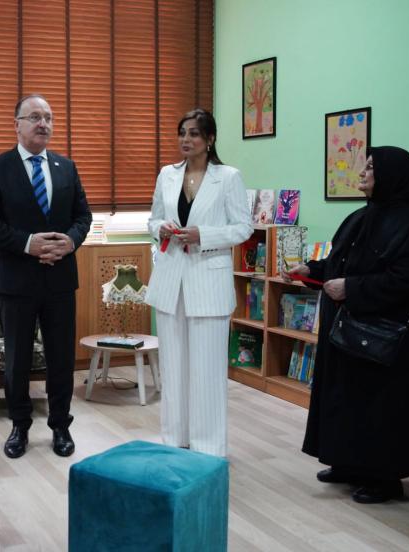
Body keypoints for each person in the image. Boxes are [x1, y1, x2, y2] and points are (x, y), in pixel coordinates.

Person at [283, 146, 409, 503]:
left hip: (385, 335)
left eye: (370, 168)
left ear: (391, 176)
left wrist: (352, 288)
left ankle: (384, 479)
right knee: (345, 399)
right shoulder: (361, 216)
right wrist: (311, 270)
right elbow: (340, 263)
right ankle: (348, 463)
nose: (362, 173)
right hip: (347, 328)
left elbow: (405, 280)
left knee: (379, 407)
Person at [0, 93, 92, 459]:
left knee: (61, 358)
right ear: (17, 125)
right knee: (17, 360)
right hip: (17, 280)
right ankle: (19, 426)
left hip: (60, 279)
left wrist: (70, 242)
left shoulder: (66, 167)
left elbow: (83, 217)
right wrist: (28, 244)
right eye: (35, 117)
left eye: (48, 117)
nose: (44, 123)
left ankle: (60, 426)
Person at [144, 108, 252, 457]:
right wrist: (161, 228)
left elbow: (243, 227)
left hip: (208, 283)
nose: (185, 140)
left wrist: (203, 235)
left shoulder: (229, 177)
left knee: (207, 370)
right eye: (182, 133)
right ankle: (174, 440)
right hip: (170, 281)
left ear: (210, 139)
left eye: (193, 133)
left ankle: (207, 448)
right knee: (173, 368)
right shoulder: (167, 175)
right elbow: (153, 219)